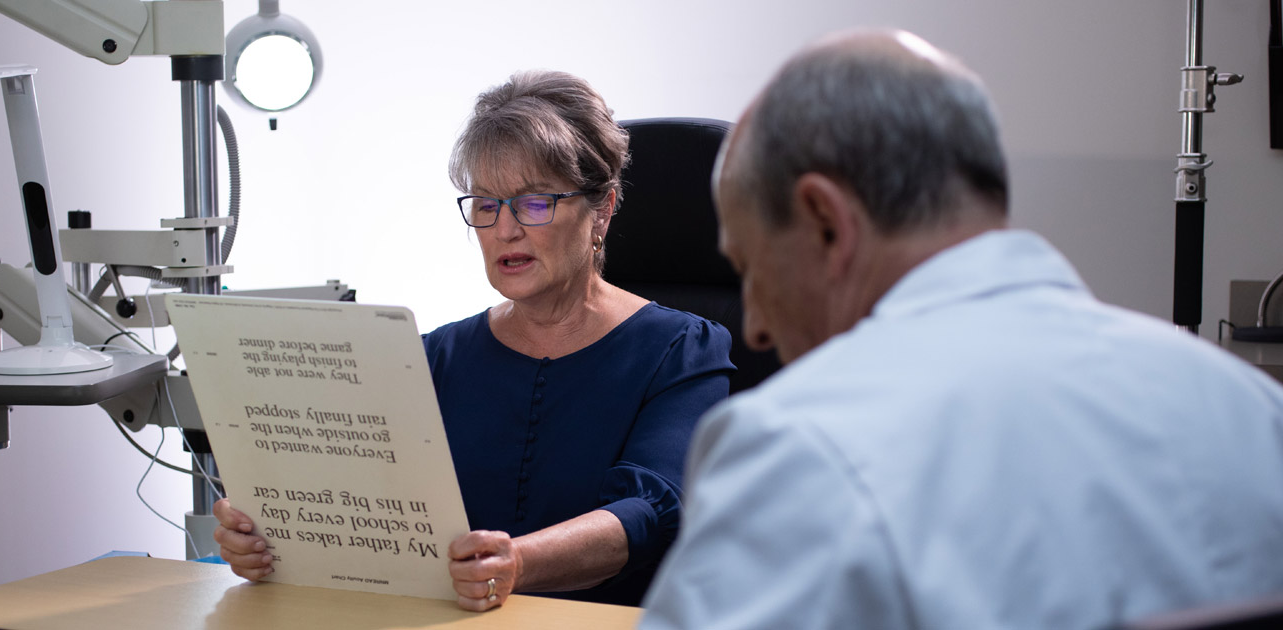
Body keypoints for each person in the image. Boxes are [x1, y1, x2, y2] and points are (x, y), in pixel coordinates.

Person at [640, 29, 1283, 629]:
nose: (753, 326)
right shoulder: (1252, 408)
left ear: (826, 222)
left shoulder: (799, 447)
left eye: (752, 268)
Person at [214, 70, 735, 610]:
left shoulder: (683, 349)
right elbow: (352, 498)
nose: (505, 231)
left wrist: (516, 564)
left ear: (601, 207)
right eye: (486, 205)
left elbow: (653, 509)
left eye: (535, 203)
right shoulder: (432, 357)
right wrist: (264, 534)